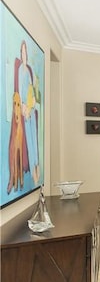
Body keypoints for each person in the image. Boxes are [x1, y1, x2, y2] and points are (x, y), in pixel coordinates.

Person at [16, 40, 40, 184]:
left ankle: (37, 166)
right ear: (21, 54)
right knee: (29, 142)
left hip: (30, 108)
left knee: (35, 140)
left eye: (25, 52)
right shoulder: (20, 70)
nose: (24, 54)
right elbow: (19, 91)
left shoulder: (29, 70)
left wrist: (32, 105)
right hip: (25, 111)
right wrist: (25, 107)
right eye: (22, 52)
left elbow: (31, 90)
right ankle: (33, 170)